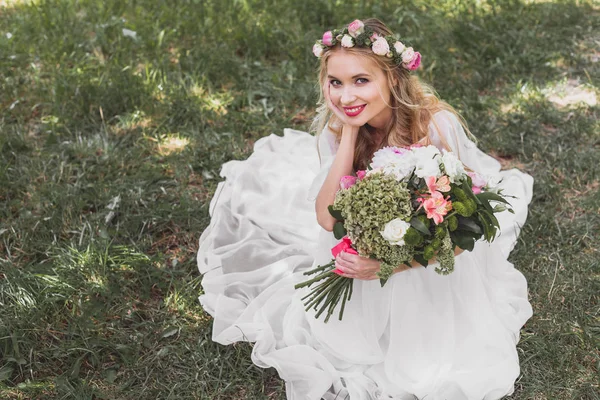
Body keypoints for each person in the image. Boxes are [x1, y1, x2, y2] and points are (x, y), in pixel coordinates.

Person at [197, 18, 533, 400]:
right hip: (371, 247)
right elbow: (327, 219)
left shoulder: (434, 126)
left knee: (430, 364)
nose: (345, 96)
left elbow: (459, 236)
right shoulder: (339, 128)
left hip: (429, 260)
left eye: (361, 80)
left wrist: (390, 266)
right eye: (335, 83)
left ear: (391, 80)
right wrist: (351, 133)